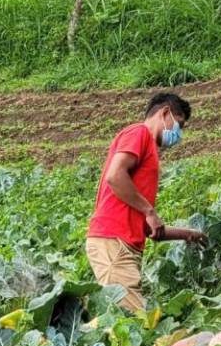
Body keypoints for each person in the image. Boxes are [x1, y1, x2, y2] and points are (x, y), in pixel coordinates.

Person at [85, 92, 206, 314]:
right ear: (165, 113)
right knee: (133, 324)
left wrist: (189, 233)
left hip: (121, 244)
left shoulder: (147, 150)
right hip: (115, 242)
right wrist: (149, 210)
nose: (178, 134)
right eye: (179, 125)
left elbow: (150, 228)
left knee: (121, 322)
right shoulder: (139, 133)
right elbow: (115, 175)